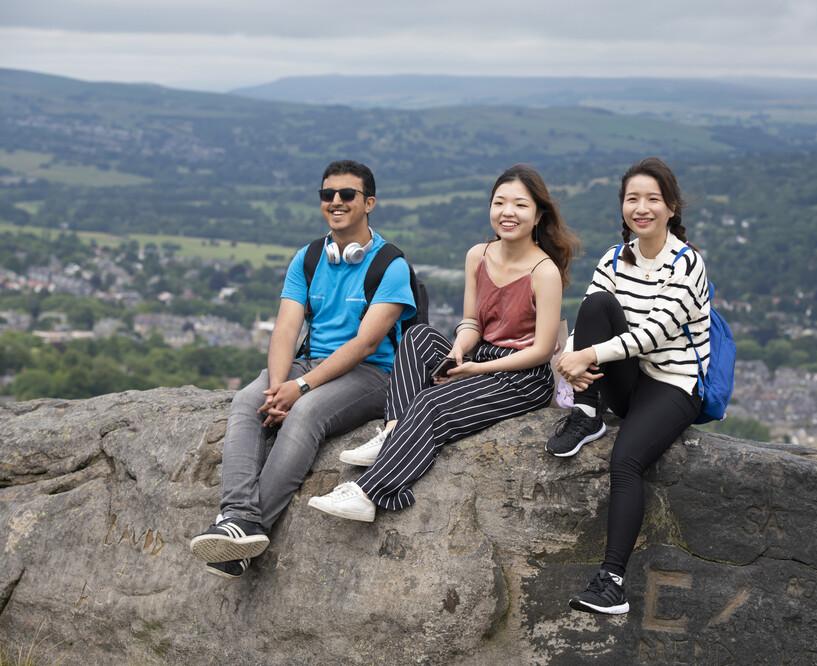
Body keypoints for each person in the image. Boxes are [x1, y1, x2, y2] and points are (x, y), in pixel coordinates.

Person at [307, 164, 577, 521]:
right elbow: (472, 322)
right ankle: (393, 432)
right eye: (499, 203)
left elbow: (541, 351)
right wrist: (459, 349)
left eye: (520, 205)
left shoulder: (544, 272)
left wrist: (477, 369)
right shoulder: (478, 255)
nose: (507, 213)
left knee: (434, 402)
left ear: (539, 214)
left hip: (522, 376)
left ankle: (371, 491)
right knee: (417, 335)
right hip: (479, 356)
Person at [189, 160, 416, 578]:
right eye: (327, 195)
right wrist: (278, 388)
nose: (335, 202)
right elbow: (286, 327)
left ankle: (251, 526)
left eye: (346, 195)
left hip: (371, 374)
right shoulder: (309, 258)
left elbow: (366, 343)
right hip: (307, 363)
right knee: (247, 401)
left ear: (369, 203)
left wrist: (302, 388)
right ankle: (235, 519)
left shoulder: (391, 266)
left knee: (306, 415)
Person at [547, 157, 710, 615]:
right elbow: (588, 324)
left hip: (674, 386)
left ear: (671, 207)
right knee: (598, 304)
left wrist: (587, 357)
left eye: (652, 199)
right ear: (622, 207)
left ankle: (613, 582)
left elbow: (655, 333)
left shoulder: (688, 263)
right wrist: (571, 360)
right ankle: (586, 413)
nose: (642, 208)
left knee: (626, 462)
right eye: (632, 199)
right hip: (629, 378)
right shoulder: (614, 258)